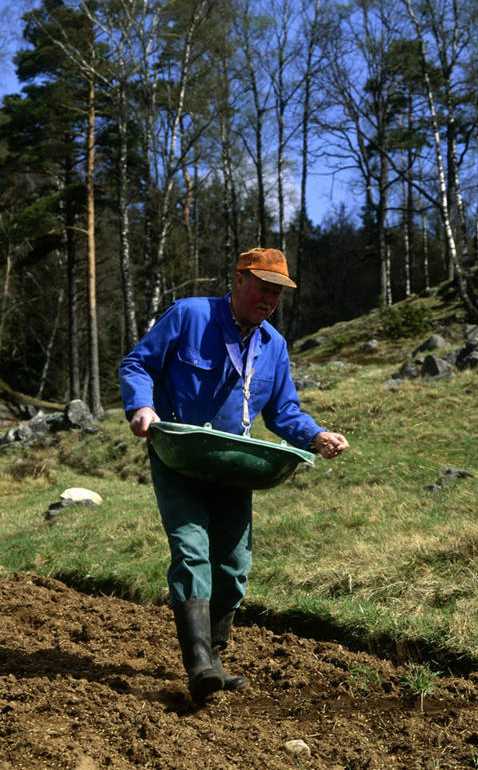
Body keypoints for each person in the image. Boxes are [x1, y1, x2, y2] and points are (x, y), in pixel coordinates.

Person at [118, 247, 349, 702]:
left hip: (232, 465)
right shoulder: (189, 317)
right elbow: (137, 364)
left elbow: (283, 412)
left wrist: (316, 436)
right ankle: (199, 661)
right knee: (191, 551)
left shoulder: (273, 346)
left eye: (278, 293)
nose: (270, 300)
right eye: (264, 287)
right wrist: (141, 406)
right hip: (179, 457)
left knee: (234, 566)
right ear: (240, 280)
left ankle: (216, 656)